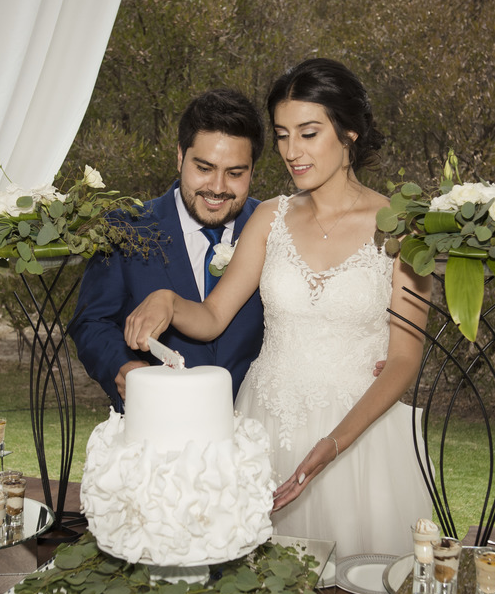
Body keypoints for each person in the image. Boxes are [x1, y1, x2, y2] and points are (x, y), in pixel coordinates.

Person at [125, 59, 433, 557]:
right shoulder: (269, 217)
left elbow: (403, 359)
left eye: (308, 134)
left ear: (349, 132)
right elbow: (211, 318)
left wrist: (330, 447)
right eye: (283, 135)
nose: (292, 152)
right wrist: (168, 302)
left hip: (359, 436)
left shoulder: (403, 228)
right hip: (264, 424)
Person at [71, 88, 267, 411]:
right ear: (180, 156)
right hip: (156, 424)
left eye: (234, 173)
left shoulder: (273, 231)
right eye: (204, 168)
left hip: (253, 433)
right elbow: (89, 322)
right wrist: (121, 367)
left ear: (252, 171)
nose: (217, 188)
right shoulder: (126, 228)